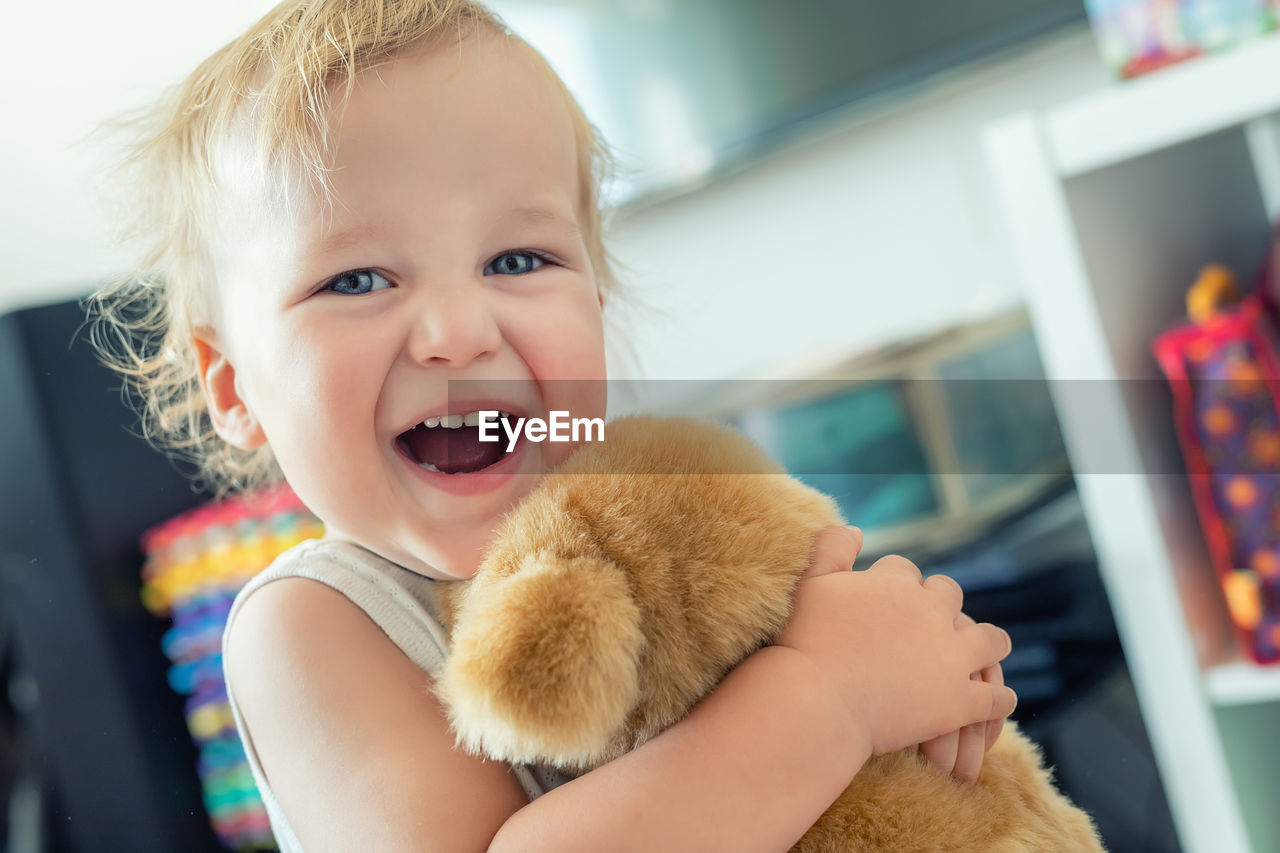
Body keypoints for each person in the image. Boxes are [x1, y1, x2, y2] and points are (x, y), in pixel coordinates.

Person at [90, 1, 1018, 850]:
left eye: (517, 258)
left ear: (597, 301)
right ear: (234, 383)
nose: (458, 332)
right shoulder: (313, 625)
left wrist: (920, 676)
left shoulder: (653, 527)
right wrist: (829, 698)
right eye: (358, 280)